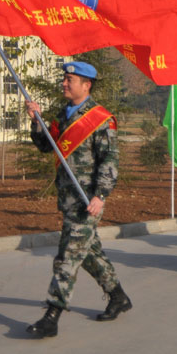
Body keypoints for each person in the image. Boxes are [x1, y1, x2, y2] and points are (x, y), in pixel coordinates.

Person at [25, 61, 130, 338]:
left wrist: (101, 195)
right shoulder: (63, 115)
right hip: (69, 199)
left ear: (86, 85)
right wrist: (37, 121)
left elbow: (110, 159)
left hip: (87, 200)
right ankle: (118, 296)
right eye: (64, 78)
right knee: (89, 254)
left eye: (69, 79)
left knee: (68, 256)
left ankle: (52, 315)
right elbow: (46, 146)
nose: (64, 83)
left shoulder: (101, 119)